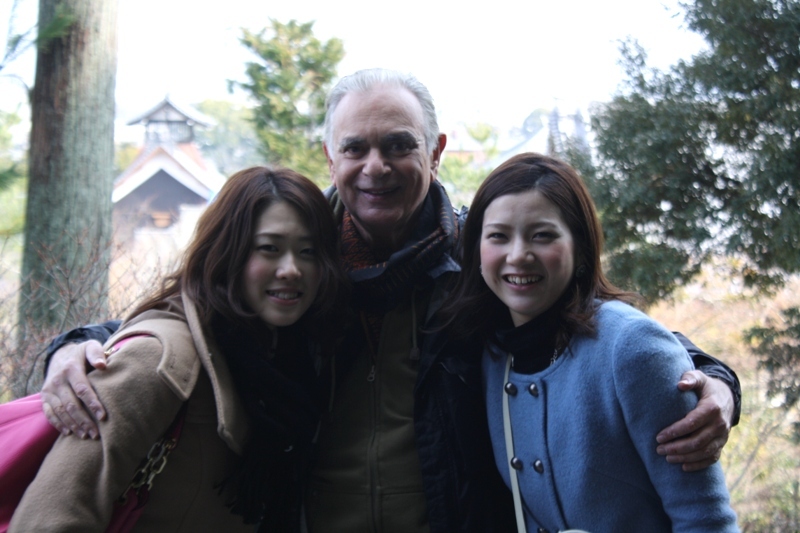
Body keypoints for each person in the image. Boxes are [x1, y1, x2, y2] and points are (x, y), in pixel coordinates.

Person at [39, 69, 740, 532]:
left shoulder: (482, 262)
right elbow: (204, 303)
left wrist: (717, 383)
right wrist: (74, 345)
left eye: (398, 145)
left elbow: (594, 321)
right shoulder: (299, 266)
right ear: (330, 154)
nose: (376, 167)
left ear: (434, 151)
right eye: (357, 147)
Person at [11, 167, 347, 532]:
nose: (291, 269)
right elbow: (50, 517)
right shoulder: (157, 362)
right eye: (269, 248)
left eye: (308, 252)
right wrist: (69, 346)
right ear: (227, 252)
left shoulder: (295, 358)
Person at [437, 152, 739, 531]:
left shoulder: (629, 347)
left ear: (580, 247)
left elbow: (705, 519)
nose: (518, 255)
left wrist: (724, 383)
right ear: (477, 250)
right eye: (498, 236)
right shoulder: (491, 354)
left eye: (542, 235)